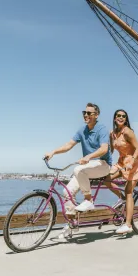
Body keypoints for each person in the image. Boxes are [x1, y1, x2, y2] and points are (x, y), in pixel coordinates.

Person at [44, 102, 111, 238]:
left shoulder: (102, 129)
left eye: (89, 113)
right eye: (84, 113)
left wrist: (89, 156)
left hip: (102, 164)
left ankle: (88, 200)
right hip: (87, 167)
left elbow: (104, 149)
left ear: (96, 115)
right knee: (66, 192)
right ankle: (72, 224)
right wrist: (53, 152)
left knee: (79, 169)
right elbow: (69, 145)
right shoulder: (82, 130)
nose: (85, 115)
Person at [105, 109, 138, 235]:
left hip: (133, 163)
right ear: (115, 118)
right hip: (121, 162)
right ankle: (122, 200)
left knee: (128, 191)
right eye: (118, 116)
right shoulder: (112, 133)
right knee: (106, 179)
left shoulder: (127, 132)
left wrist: (131, 161)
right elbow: (110, 151)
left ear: (126, 119)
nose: (121, 118)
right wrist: (101, 161)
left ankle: (128, 225)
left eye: (123, 116)